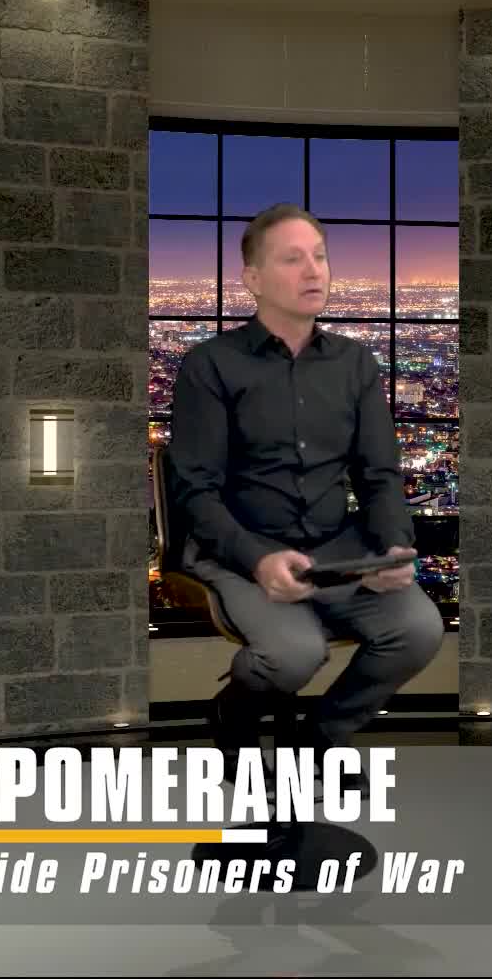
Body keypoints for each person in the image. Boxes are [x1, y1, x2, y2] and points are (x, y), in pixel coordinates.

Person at [169, 203, 445, 771]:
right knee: (296, 653)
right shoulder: (210, 365)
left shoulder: (355, 364)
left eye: (319, 257)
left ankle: (318, 742)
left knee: (419, 629)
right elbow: (195, 491)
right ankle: (232, 717)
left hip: (335, 548)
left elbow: (380, 475)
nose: (313, 271)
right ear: (253, 280)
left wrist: (393, 545)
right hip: (241, 548)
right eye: (293, 260)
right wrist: (259, 559)